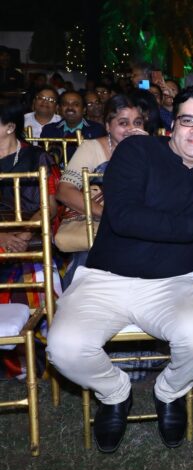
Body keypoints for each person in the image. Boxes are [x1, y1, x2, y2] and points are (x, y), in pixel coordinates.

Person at [45, 85, 193, 453]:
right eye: (188, 120)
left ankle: (169, 392)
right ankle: (115, 393)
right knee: (64, 348)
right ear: (172, 125)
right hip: (105, 280)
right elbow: (124, 217)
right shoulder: (137, 150)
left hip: (173, 284)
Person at [55, 94, 148, 287]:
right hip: (99, 225)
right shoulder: (92, 148)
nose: (132, 129)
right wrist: (108, 215)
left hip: (141, 225)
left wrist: (151, 152)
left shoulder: (151, 149)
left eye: (137, 122)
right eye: (123, 123)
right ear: (107, 126)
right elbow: (64, 191)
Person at [0, 101, 61, 378]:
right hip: (2, 235)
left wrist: (24, 234)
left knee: (35, 275)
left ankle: (40, 357)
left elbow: (50, 205)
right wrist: (3, 235)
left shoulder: (37, 157)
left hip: (32, 234)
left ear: (10, 127)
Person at [41, 91, 107, 161]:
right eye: (65, 104)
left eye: (76, 104)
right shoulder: (49, 130)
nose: (70, 107)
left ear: (84, 110)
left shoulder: (97, 130)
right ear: (59, 109)